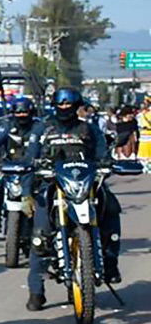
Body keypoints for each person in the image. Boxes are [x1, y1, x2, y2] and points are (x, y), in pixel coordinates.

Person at [25, 86, 120, 308]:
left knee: (112, 209)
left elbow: (102, 152)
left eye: (69, 104)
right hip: (52, 186)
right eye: (61, 104)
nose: (65, 108)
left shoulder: (89, 129)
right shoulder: (43, 129)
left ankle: (110, 264)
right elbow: (30, 156)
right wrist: (29, 171)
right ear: (54, 105)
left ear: (77, 106)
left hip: (87, 185)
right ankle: (36, 290)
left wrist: (107, 163)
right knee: (40, 234)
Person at [0, 96, 39, 258]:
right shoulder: (7, 126)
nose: (21, 115)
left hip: (33, 172)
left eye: (25, 112)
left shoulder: (39, 127)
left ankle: (40, 240)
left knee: (43, 200)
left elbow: (47, 144)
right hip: (9, 170)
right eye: (18, 112)